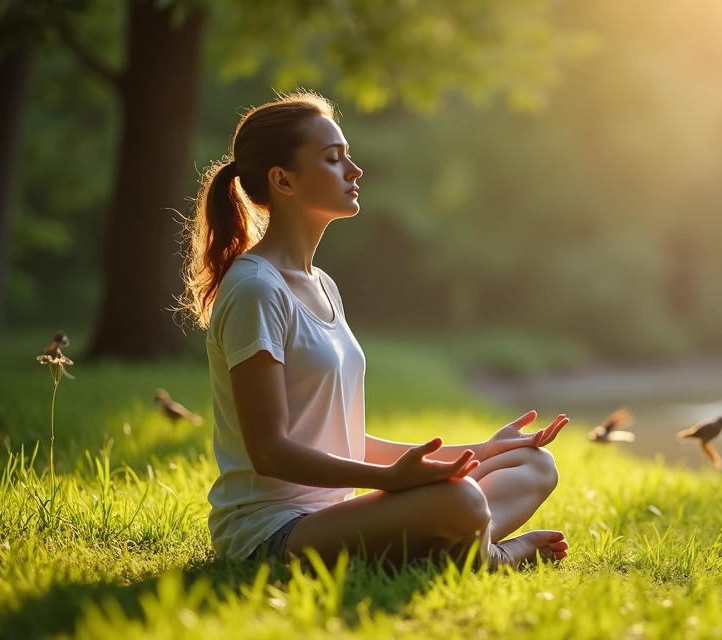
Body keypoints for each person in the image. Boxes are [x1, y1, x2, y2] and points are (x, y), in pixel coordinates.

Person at [176, 91, 569, 568]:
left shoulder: (322, 285)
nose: (354, 170)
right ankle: (494, 555)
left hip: (335, 517)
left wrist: (482, 450)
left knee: (533, 466)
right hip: (272, 533)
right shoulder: (256, 290)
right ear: (283, 180)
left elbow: (341, 439)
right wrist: (390, 483)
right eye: (333, 159)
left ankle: (453, 545)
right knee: (462, 501)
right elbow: (269, 452)